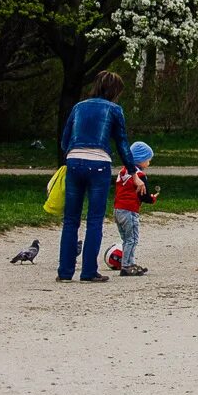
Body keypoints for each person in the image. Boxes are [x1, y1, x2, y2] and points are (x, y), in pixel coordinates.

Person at [58, 71, 138, 283]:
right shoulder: (114, 110)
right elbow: (122, 143)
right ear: (115, 91)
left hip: (74, 161)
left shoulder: (79, 107)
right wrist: (132, 171)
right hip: (99, 164)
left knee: (70, 220)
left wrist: (73, 156)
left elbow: (65, 140)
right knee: (94, 220)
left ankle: (65, 272)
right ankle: (88, 272)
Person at [112, 141, 157, 276]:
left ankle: (127, 262)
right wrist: (153, 198)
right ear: (141, 159)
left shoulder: (123, 171)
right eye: (148, 160)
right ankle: (127, 265)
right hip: (130, 211)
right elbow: (144, 196)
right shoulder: (139, 176)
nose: (149, 163)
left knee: (126, 239)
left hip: (118, 210)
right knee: (132, 239)